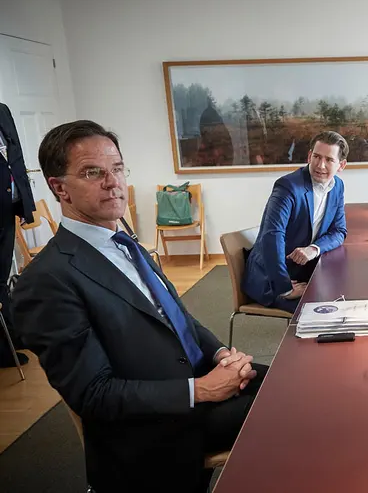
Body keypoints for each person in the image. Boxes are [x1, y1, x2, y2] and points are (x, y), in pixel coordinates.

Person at [10, 120, 264, 492]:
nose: (113, 182)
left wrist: (222, 354)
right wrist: (202, 390)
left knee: (296, 382)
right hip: (155, 427)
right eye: (92, 172)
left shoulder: (127, 244)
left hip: (195, 383)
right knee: (292, 409)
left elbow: (179, 320)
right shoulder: (46, 281)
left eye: (116, 168)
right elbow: (94, 395)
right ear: (59, 188)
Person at [243, 131, 348, 310]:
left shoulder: (337, 186)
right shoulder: (288, 187)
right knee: (319, 311)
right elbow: (272, 236)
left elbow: (338, 231)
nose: (321, 165)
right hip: (272, 279)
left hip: (305, 271)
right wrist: (284, 288)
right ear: (309, 156)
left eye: (329, 160)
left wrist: (313, 249)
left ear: (341, 165)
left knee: (344, 295)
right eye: (316, 156)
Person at [0, 102, 35, 368]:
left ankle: (12, 338)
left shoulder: (3, 110)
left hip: (7, 207)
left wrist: (25, 203)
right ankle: (3, 349)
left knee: (2, 279)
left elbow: (16, 157)